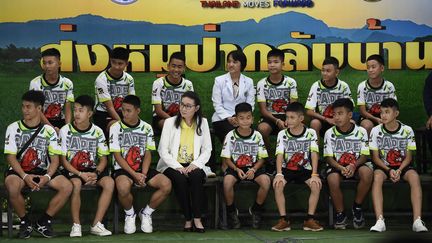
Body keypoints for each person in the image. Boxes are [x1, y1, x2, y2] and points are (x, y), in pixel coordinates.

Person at [4, 90, 72, 238]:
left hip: (43, 171)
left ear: (39, 109)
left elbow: (55, 160)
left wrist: (47, 177)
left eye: (28, 107)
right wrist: (25, 176)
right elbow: (10, 157)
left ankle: (44, 221)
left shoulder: (49, 131)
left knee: (67, 186)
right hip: (20, 171)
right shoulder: (13, 128)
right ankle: (25, 221)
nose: (24, 110)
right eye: (23, 106)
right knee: (12, 186)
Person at [110, 95, 171, 234]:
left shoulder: (147, 128)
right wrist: (134, 175)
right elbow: (117, 155)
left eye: (128, 110)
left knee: (166, 185)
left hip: (142, 168)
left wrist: (143, 174)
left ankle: (146, 213)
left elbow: (148, 153)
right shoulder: (116, 127)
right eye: (123, 110)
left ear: (138, 111)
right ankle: (130, 214)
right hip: (123, 169)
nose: (124, 113)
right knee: (123, 187)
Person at [369, 98, 428, 232]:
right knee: (377, 177)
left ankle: (417, 220)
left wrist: (400, 170)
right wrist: (389, 170)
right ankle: (379, 220)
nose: (383, 115)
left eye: (387, 112)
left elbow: (409, 156)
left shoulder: (407, 130)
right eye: (381, 112)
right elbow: (376, 158)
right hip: (384, 166)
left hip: (403, 166)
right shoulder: (375, 131)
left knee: (414, 177)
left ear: (396, 114)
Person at [157, 91, 212, 233]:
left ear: (196, 108)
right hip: (171, 164)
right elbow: (163, 151)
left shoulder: (203, 123)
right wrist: (177, 166)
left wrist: (196, 164)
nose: (183, 108)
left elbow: (207, 149)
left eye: (188, 106)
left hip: (194, 163)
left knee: (196, 176)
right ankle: (188, 218)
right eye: (182, 104)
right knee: (180, 179)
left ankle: (197, 218)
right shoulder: (169, 122)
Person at [59, 95, 114, 237]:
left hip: (92, 170)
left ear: (89, 114)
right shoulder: (65, 130)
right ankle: (76, 225)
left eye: (81, 110)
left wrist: (96, 173)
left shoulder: (98, 131)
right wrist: (79, 174)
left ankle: (96, 224)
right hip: (73, 171)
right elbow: (63, 160)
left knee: (109, 182)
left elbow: (103, 159)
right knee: (76, 184)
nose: (76, 113)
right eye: (75, 110)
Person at [271, 102, 323, 232]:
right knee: (277, 184)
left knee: (316, 185)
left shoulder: (310, 133)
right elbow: (279, 155)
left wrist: (315, 174)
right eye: (287, 117)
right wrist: (278, 173)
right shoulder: (282, 134)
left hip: (305, 169)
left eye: (292, 117)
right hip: (286, 169)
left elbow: (314, 153)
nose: (288, 120)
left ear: (301, 118)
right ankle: (284, 220)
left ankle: (309, 220)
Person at [323, 98, 373, 229]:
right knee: (332, 179)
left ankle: (357, 207)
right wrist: (341, 167)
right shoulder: (329, 133)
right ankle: (340, 214)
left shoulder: (361, 131)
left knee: (367, 173)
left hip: (356, 164)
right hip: (337, 165)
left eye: (340, 113)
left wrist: (353, 165)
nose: (337, 117)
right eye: (334, 114)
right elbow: (329, 158)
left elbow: (364, 155)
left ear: (350, 115)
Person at [221, 102, 270, 229]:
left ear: (252, 119)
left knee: (266, 181)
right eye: (241, 118)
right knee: (227, 183)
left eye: (248, 117)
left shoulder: (257, 135)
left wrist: (254, 169)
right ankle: (232, 212)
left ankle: (256, 210)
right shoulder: (231, 135)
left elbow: (262, 158)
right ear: (236, 120)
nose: (245, 121)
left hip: (254, 167)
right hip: (235, 167)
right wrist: (236, 169)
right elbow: (226, 158)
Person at [256, 48, 298, 164]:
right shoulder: (262, 83)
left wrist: (287, 120)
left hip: (288, 115)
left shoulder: (291, 82)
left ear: (283, 64)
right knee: (262, 129)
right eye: (269, 62)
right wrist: (277, 121)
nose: (272, 65)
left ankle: (289, 160)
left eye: (276, 62)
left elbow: (293, 107)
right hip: (270, 117)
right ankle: (269, 159)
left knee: (293, 128)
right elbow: (263, 110)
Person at [212, 50, 255, 145]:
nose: (231, 64)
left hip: (243, 119)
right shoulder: (219, 80)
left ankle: (246, 159)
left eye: (235, 62)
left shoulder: (249, 81)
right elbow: (217, 104)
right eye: (229, 61)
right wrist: (229, 117)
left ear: (242, 64)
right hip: (222, 118)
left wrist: (240, 118)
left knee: (249, 135)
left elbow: (250, 104)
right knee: (230, 135)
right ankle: (226, 159)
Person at [306, 56, 353, 137]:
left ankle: (343, 148)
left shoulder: (343, 86)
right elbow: (309, 111)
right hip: (322, 119)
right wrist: (326, 119)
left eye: (328, 71)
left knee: (351, 122)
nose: (324, 73)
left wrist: (338, 118)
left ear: (337, 72)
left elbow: (350, 107)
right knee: (314, 123)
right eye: (323, 70)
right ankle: (315, 149)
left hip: (339, 118)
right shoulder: (316, 86)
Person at [29, 48, 74, 132]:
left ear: (59, 64)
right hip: (40, 121)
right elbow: (36, 110)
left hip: (60, 121)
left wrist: (67, 128)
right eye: (44, 63)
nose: (47, 66)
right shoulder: (35, 83)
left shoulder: (68, 83)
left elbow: (68, 108)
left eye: (50, 63)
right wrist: (52, 129)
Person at [94, 47, 135, 138]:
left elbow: (131, 102)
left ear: (126, 64)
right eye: (113, 62)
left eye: (120, 64)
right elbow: (109, 108)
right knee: (117, 128)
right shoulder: (101, 79)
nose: (116, 66)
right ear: (110, 61)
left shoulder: (129, 79)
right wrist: (123, 124)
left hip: (122, 112)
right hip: (104, 113)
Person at [151, 52, 194, 132]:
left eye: (179, 67)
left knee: (198, 123)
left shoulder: (188, 84)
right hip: (162, 118)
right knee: (172, 127)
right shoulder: (158, 83)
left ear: (184, 68)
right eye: (173, 66)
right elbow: (158, 110)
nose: (176, 70)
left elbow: (190, 107)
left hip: (182, 117)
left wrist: (183, 120)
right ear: (168, 66)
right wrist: (175, 121)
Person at [357, 54, 397, 135]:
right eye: (368, 67)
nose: (370, 70)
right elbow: (362, 111)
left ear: (382, 68)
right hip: (369, 117)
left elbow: (393, 107)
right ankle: (368, 148)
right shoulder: (362, 86)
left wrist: (385, 118)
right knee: (367, 126)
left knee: (393, 125)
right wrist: (376, 119)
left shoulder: (389, 86)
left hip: (387, 116)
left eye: (373, 67)